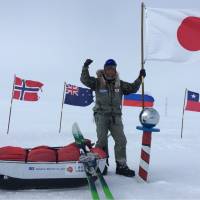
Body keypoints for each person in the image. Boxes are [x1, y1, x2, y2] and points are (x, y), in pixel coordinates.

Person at [80, 58, 146, 177]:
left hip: (116, 116)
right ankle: (102, 165)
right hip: (101, 115)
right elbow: (84, 80)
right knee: (102, 141)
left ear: (115, 70)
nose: (110, 71)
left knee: (121, 140)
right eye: (108, 68)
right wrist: (85, 67)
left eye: (113, 68)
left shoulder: (119, 84)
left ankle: (121, 166)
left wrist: (140, 78)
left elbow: (132, 88)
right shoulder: (97, 82)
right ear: (105, 70)